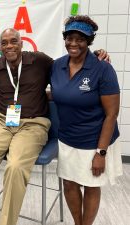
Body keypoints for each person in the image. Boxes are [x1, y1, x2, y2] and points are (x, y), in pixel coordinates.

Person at [0, 27, 110, 225]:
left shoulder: (39, 61)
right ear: (0, 46)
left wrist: (95, 56)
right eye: (5, 42)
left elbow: (70, 65)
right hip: (2, 121)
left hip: (33, 123)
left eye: (14, 41)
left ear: (21, 43)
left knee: (16, 167)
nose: (9, 46)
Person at [50, 15, 123, 225]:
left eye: (80, 39)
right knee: (70, 185)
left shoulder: (103, 68)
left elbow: (112, 114)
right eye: (69, 38)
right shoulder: (57, 65)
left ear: (89, 41)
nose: (73, 43)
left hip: (94, 140)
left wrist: (101, 153)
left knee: (91, 185)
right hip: (67, 139)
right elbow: (57, 93)